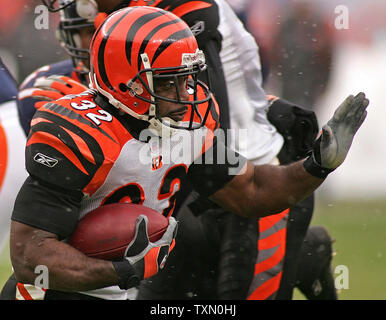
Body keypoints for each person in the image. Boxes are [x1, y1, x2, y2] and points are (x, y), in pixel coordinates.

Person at [7, 6, 368, 301]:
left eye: (187, 78)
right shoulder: (79, 132)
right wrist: (122, 271)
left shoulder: (184, 125)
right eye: (167, 81)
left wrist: (317, 164)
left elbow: (253, 190)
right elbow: (30, 255)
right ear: (126, 80)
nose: (184, 95)